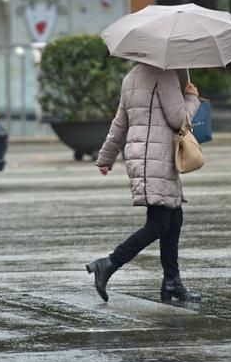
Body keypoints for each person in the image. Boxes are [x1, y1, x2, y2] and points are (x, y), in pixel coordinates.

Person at [86, 63, 201, 303]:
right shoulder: (166, 74)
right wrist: (191, 98)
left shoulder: (131, 77)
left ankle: (172, 282)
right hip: (156, 159)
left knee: (174, 218)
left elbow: (120, 122)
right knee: (159, 224)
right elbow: (178, 118)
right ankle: (108, 264)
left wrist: (106, 157)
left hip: (147, 159)